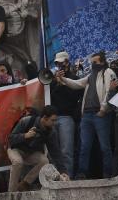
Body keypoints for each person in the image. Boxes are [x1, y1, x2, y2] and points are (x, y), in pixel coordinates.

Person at [57, 52, 117, 179]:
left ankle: (108, 173)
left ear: (102, 62)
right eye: (92, 62)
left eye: (95, 62)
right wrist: (63, 80)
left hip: (100, 114)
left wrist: (103, 109)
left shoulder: (108, 72)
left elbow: (110, 92)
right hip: (87, 115)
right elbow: (77, 84)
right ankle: (82, 173)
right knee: (84, 146)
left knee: (104, 146)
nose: (93, 64)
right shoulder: (91, 75)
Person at [7, 105, 67, 191]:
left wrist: (63, 172)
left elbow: (56, 153)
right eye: (52, 120)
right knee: (18, 162)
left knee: (44, 161)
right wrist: (25, 136)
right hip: (15, 149)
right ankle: (11, 193)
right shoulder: (26, 121)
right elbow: (10, 139)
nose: (54, 123)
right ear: (44, 118)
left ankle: (25, 183)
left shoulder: (51, 132)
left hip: (31, 153)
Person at [50, 51, 83, 179]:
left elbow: (74, 98)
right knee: (53, 151)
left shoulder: (74, 78)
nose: (59, 66)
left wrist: (64, 83)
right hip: (52, 118)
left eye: (61, 63)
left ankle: (67, 177)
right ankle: (54, 178)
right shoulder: (52, 79)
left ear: (67, 62)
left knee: (66, 151)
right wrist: (56, 83)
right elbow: (49, 98)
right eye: (57, 63)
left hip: (67, 118)